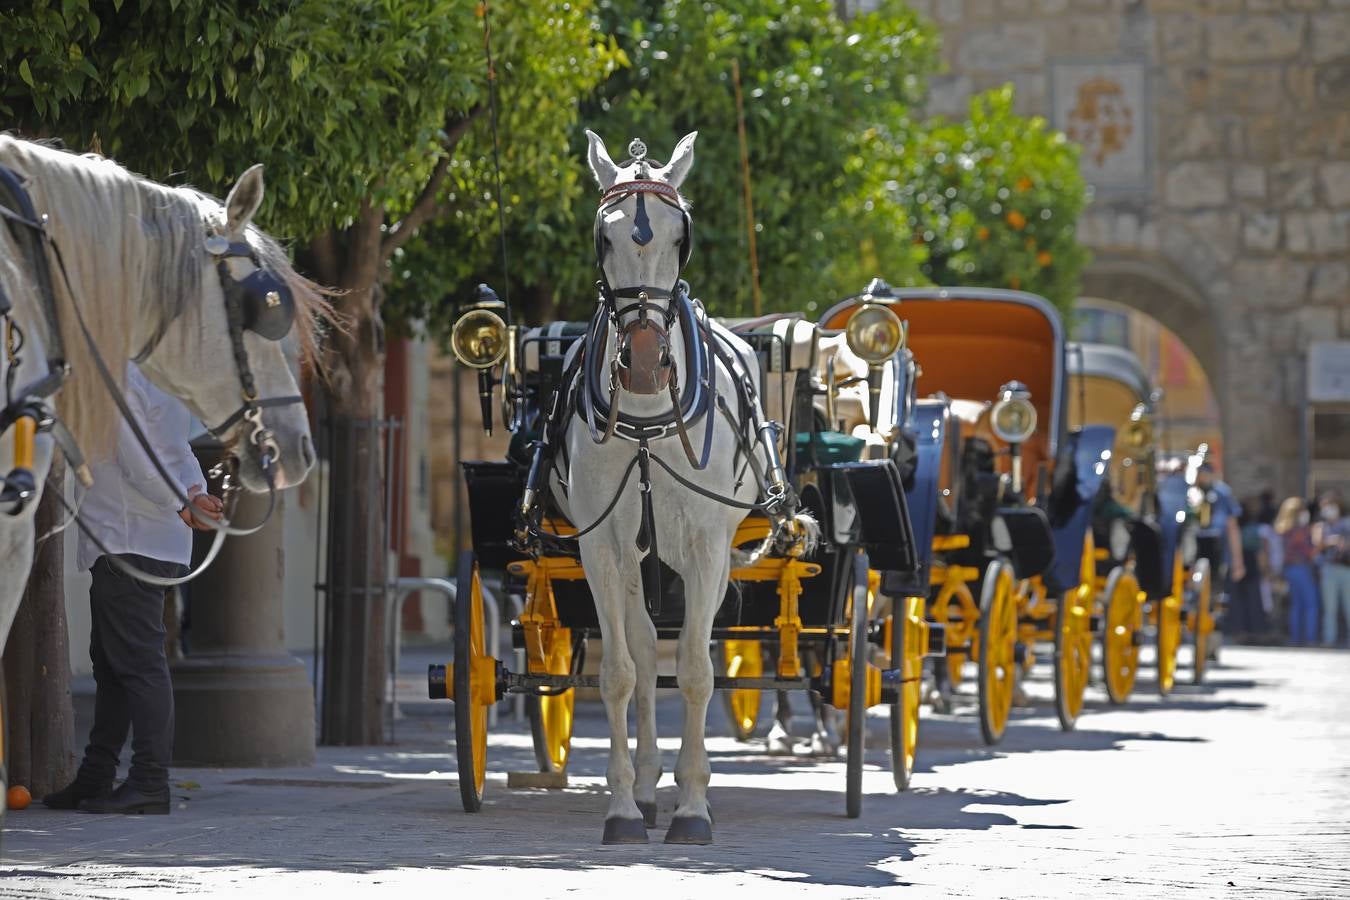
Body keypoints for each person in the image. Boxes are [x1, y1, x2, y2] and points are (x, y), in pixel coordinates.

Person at [43, 365, 222, 815]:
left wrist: (183, 501)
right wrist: (194, 493)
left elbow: (135, 458)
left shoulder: (116, 373)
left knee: (138, 667)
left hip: (128, 539)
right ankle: (96, 777)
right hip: (145, 540)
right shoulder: (159, 374)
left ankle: (148, 782)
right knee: (113, 665)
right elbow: (177, 449)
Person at [1274, 496, 1319, 646]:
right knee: (1311, 604)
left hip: (1288, 570)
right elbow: (1310, 552)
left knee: (1296, 605)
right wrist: (1320, 543)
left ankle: (1295, 638)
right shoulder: (1300, 531)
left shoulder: (1282, 530)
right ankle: (1310, 638)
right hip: (1301, 568)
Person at [1227, 500, 1268, 644]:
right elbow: (1259, 551)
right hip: (1249, 564)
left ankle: (1240, 632)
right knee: (1253, 600)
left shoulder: (1235, 527)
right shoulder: (1252, 529)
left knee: (1238, 601)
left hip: (1236, 563)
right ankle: (1255, 632)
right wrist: (1264, 569)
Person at [1314, 492, 1350, 648]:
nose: (1328, 509)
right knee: (1330, 607)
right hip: (1329, 568)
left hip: (1346, 567)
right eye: (1325, 506)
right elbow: (1317, 546)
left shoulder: (1347, 523)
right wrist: (1331, 541)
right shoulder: (1320, 526)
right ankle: (1329, 639)